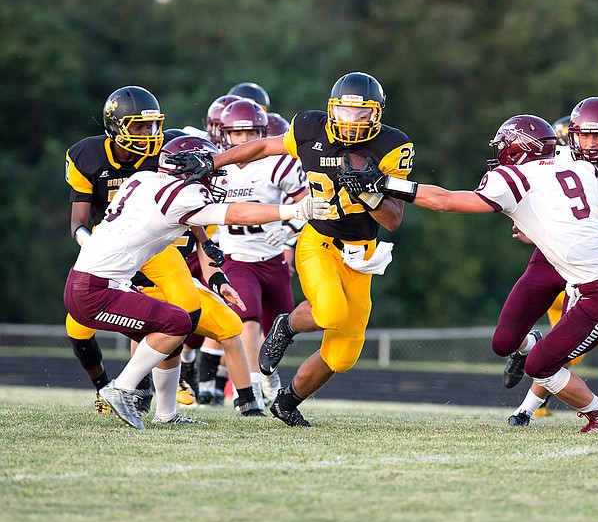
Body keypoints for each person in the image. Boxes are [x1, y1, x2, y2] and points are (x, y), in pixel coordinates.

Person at [337, 114, 598, 436]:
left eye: (504, 147)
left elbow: (446, 201)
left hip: (595, 292)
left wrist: (385, 183)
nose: (499, 153)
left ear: (519, 148)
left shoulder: (515, 176)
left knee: (541, 364)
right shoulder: (586, 171)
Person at [166, 71, 414, 427]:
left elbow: (392, 219)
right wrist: (213, 161)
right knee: (329, 312)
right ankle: (287, 327)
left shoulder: (393, 146)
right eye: (344, 112)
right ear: (332, 110)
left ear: (377, 114)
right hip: (319, 242)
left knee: (344, 354)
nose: (351, 122)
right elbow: (265, 146)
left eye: (361, 114)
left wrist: (368, 192)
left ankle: (288, 401)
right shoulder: (311, 128)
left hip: (361, 252)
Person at [64, 135, 329, 429]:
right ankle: (121, 388)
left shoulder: (144, 179)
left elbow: (191, 222)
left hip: (93, 280)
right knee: (177, 322)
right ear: (191, 171)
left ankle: (166, 413)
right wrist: (294, 210)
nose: (215, 176)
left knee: (171, 329)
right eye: (210, 170)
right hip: (96, 289)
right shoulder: (183, 196)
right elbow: (236, 213)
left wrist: (214, 269)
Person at [500, 97, 598, 424]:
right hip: (553, 253)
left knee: (566, 336)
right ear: (571, 135)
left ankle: (527, 410)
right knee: (517, 339)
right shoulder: (558, 157)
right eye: (584, 136)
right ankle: (529, 362)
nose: (591, 143)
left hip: (597, 261)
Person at [64, 86, 222, 413]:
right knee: (77, 329)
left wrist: (205, 243)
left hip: (153, 245)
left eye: (152, 126)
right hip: (108, 245)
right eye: (138, 126)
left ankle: (163, 371)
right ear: (115, 126)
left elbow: (187, 204)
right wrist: (92, 247)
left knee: (188, 305)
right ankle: (104, 388)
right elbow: (78, 221)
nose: (148, 134)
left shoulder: (165, 151)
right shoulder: (88, 156)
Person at [214, 98, 309, 410]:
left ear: (262, 132)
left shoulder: (279, 164)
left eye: (250, 133)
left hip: (273, 258)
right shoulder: (216, 167)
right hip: (235, 257)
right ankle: (250, 386)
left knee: (280, 325)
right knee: (247, 318)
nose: (242, 140)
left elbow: (311, 206)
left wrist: (287, 232)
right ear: (224, 134)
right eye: (236, 134)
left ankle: (268, 373)